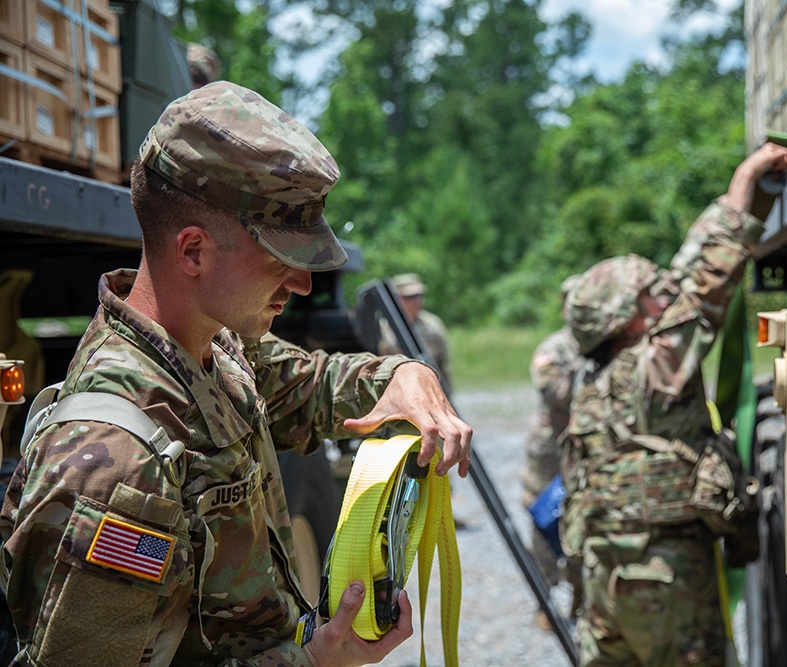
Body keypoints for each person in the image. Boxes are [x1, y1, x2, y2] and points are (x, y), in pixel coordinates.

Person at [0, 81, 473, 667]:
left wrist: (404, 373)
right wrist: (316, 661)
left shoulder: (213, 347)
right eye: (281, 257)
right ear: (193, 251)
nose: (302, 285)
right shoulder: (116, 466)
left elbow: (312, 385)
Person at [560, 143, 787, 667]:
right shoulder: (657, 366)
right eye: (651, 294)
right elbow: (706, 282)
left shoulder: (591, 381)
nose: (663, 296)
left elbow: (686, 278)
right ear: (628, 317)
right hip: (662, 583)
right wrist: (745, 178)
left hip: (603, 580)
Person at [520, 276, 584, 629]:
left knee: (585, 522)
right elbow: (554, 391)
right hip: (550, 451)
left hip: (587, 447)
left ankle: (582, 599)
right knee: (544, 525)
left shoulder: (610, 345)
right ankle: (544, 601)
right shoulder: (554, 348)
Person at [379, 273, 452, 389]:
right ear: (396, 299)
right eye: (410, 297)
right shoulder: (383, 329)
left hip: (428, 389)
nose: (417, 301)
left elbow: (444, 365)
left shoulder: (433, 325)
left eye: (420, 295)